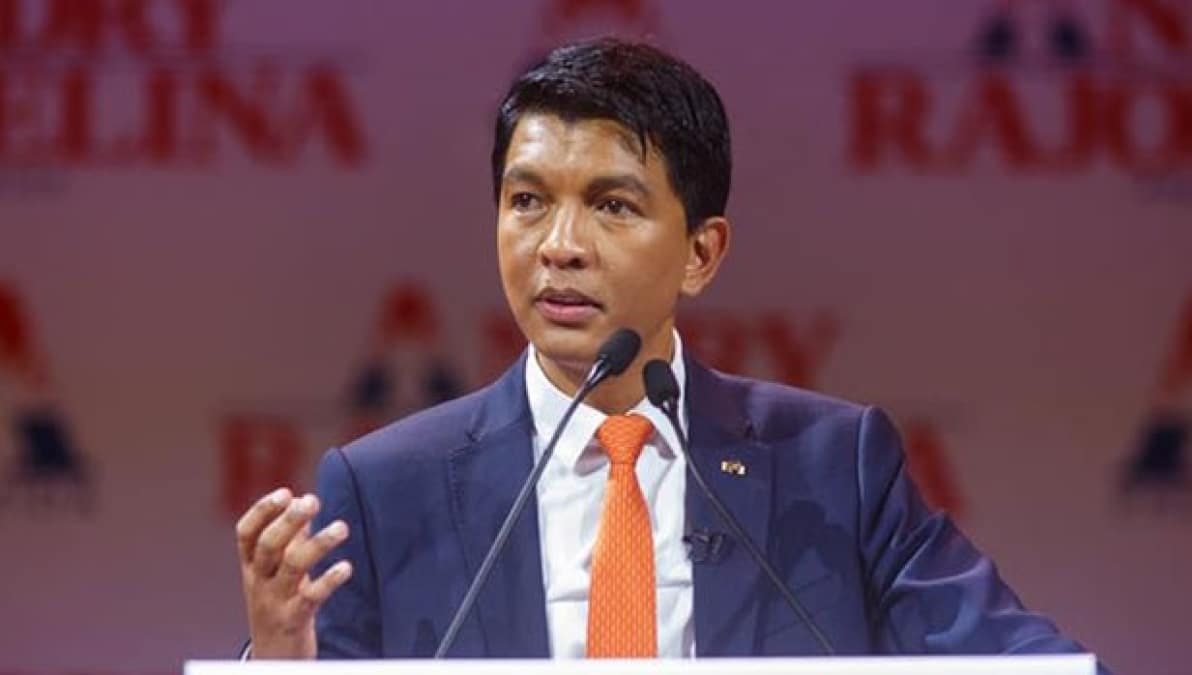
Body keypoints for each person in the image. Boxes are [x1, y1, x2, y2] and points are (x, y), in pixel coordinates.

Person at [234, 38, 1099, 662]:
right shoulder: (385, 489)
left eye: (611, 205)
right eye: (527, 200)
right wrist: (275, 658)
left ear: (701, 252)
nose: (558, 246)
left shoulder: (834, 467)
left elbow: (1022, 664)